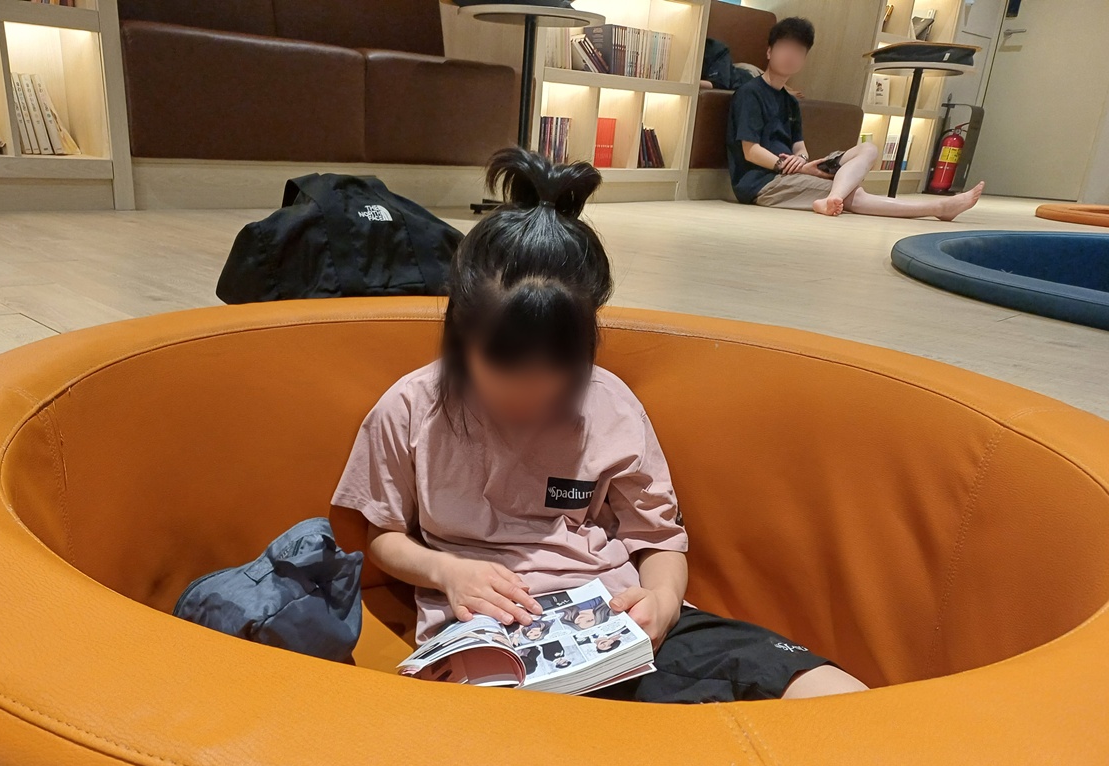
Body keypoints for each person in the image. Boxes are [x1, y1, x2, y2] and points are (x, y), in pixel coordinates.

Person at [332, 147, 867, 703]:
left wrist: (662, 600)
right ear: (461, 338)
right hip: (487, 644)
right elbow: (383, 538)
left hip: (614, 621)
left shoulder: (610, 404)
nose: (532, 395)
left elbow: (658, 538)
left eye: (557, 373)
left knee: (828, 694)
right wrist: (448, 573)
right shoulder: (410, 408)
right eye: (507, 372)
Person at [726, 16, 984, 219]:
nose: (790, 56)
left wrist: (803, 161)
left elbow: (799, 146)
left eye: (798, 52)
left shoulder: (790, 101)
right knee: (855, 195)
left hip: (793, 170)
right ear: (769, 52)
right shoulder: (750, 93)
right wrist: (800, 168)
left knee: (867, 148)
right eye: (785, 49)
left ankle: (833, 196)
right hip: (764, 182)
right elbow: (750, 151)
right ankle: (939, 208)